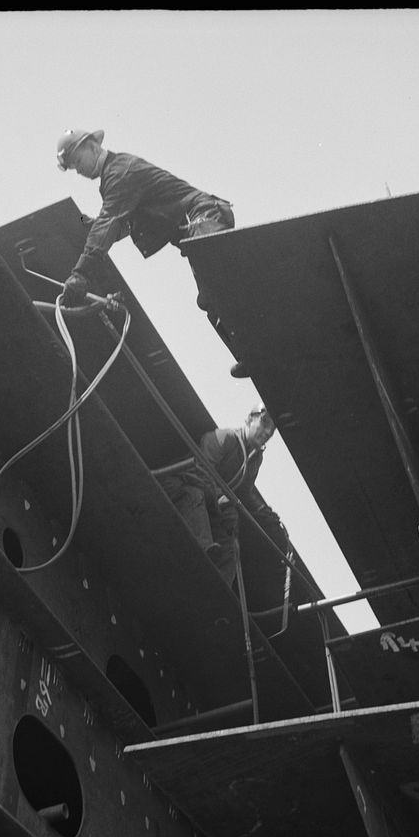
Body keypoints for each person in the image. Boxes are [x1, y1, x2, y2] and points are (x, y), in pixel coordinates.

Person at [55, 128, 248, 376]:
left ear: (93, 147)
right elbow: (120, 224)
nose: (78, 171)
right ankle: (250, 354)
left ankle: (256, 349)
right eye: (73, 167)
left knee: (220, 287)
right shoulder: (114, 179)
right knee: (211, 298)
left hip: (204, 220)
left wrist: (81, 272)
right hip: (197, 225)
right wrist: (89, 226)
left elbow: (109, 223)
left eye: (78, 161)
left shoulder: (119, 173)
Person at [159, 403, 282, 585]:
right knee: (195, 495)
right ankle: (203, 550)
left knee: (230, 534)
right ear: (249, 419)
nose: (267, 432)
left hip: (206, 502)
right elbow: (199, 469)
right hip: (179, 484)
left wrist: (263, 510)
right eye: (264, 424)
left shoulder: (254, 460)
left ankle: (221, 583)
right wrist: (221, 498)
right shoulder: (224, 437)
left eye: (271, 431)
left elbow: (244, 492)